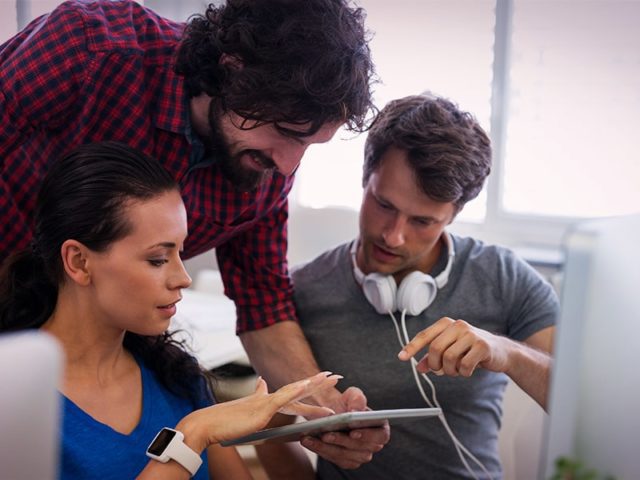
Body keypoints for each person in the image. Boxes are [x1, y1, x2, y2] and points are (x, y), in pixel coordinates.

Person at [0, 0, 388, 468]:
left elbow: (264, 304)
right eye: (285, 131)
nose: (288, 165)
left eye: (308, 144)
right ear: (233, 69)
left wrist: (319, 411)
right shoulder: (93, 49)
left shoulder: (266, 170)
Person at [0, 141, 342, 480]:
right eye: (158, 259)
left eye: (181, 252)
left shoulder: (177, 378)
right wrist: (191, 436)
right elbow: (196, 434)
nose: (183, 277)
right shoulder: (14, 396)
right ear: (79, 261)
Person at [291, 93, 559, 479]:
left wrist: (508, 353)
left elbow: (582, 409)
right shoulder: (304, 286)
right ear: (365, 178)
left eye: (422, 222)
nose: (393, 236)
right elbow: (272, 424)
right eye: (384, 204)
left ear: (454, 214)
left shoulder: (503, 277)